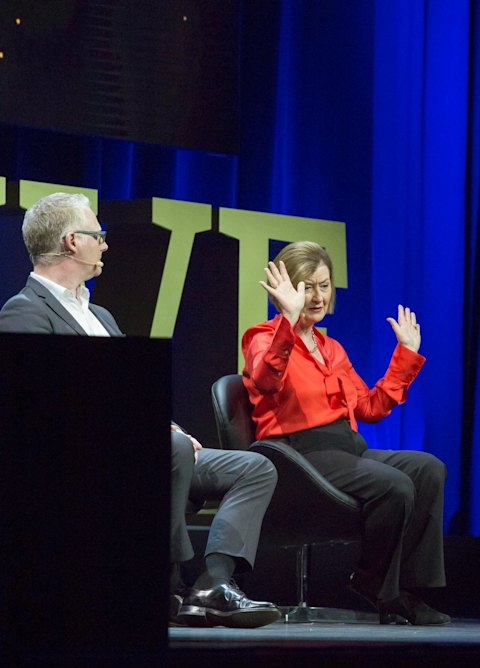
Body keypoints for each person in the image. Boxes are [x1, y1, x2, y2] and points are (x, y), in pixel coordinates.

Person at [0, 191, 281, 629]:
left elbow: (127, 392)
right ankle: (167, 582)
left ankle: (212, 584)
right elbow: (46, 410)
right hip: (86, 459)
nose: (105, 245)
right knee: (171, 449)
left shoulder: (102, 316)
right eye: (99, 235)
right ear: (73, 241)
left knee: (254, 467)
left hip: (150, 448)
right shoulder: (24, 313)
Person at [242, 241, 450, 625]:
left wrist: (404, 354)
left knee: (428, 469)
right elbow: (266, 379)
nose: (317, 296)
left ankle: (405, 589)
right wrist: (287, 324)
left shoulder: (331, 348)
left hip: (345, 448)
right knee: (394, 485)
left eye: (324, 285)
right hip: (297, 454)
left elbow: (368, 408)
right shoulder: (262, 337)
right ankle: (374, 583)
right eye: (306, 287)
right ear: (285, 289)